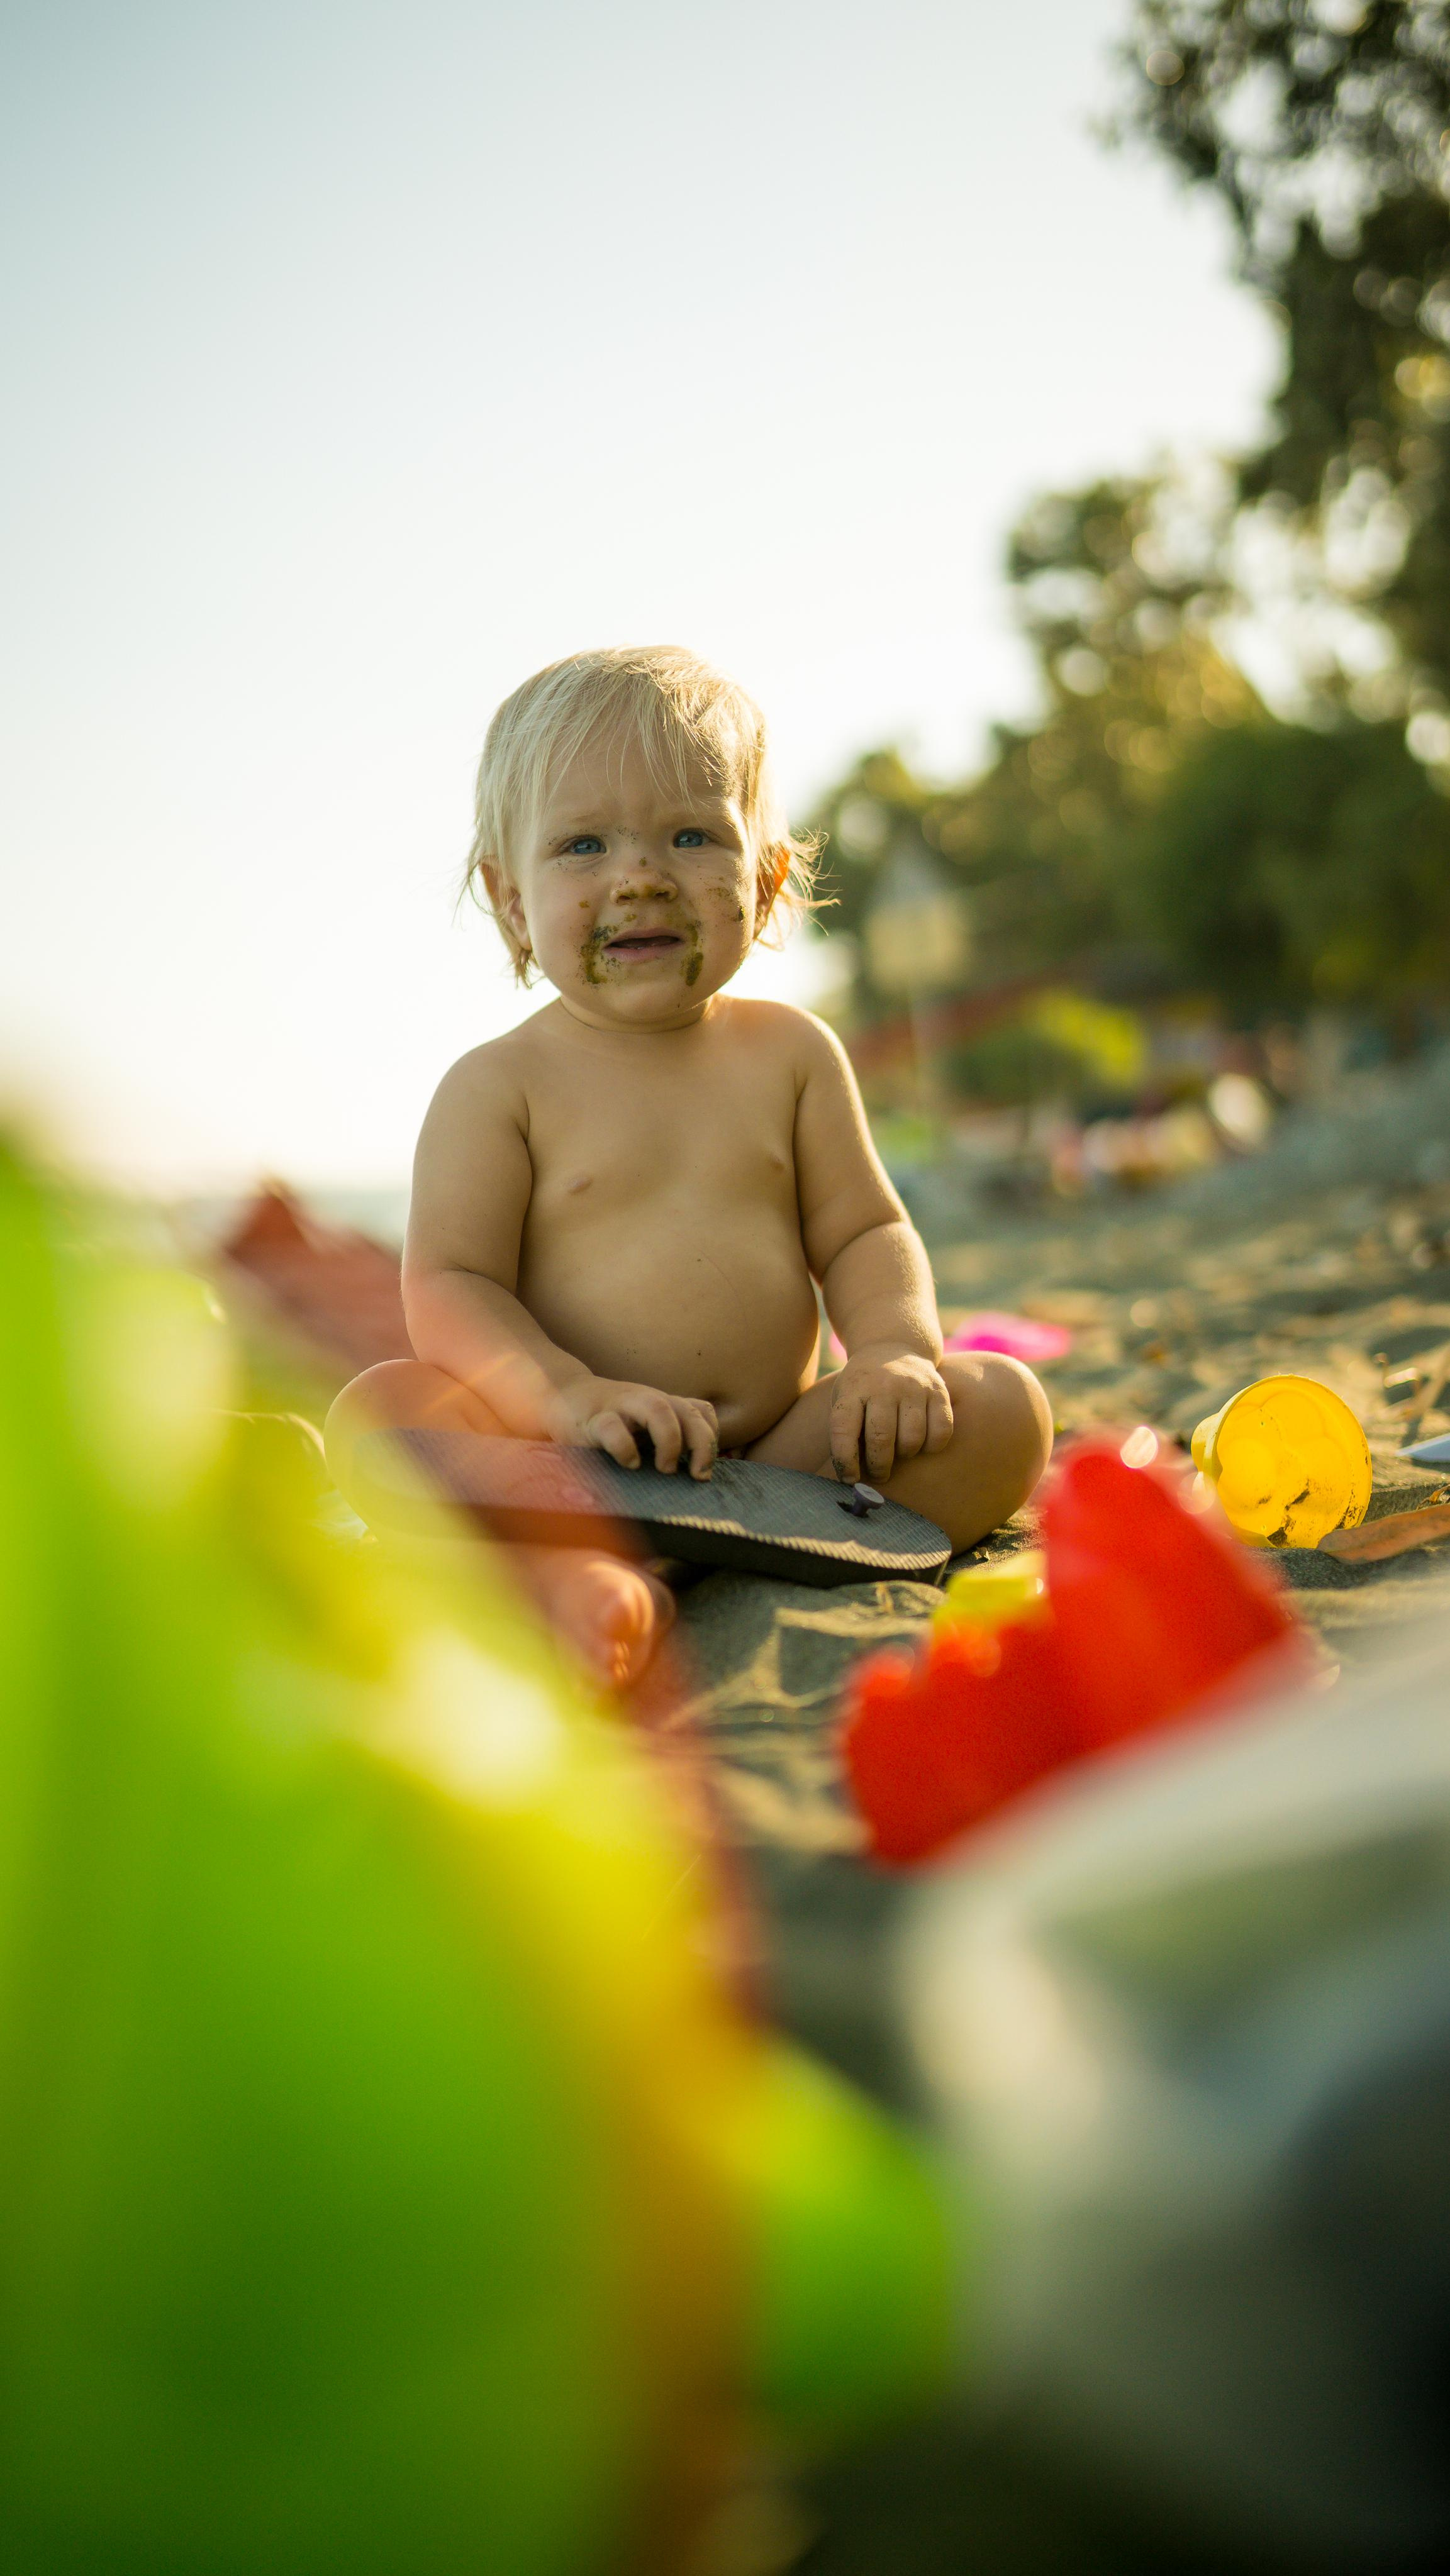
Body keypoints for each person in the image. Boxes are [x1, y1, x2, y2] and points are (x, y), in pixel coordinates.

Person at [326, 647, 1052, 1684]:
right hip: (571, 1467)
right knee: (381, 1413)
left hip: (780, 1464)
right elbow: (451, 1283)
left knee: (999, 1408)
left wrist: (892, 1350)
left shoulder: (793, 1056)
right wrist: (566, 1397)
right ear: (511, 901)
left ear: (760, 880)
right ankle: (595, 1568)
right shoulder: (498, 1088)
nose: (638, 875)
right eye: (582, 844)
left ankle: (701, 1560)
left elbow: (863, 1232)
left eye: (690, 834)